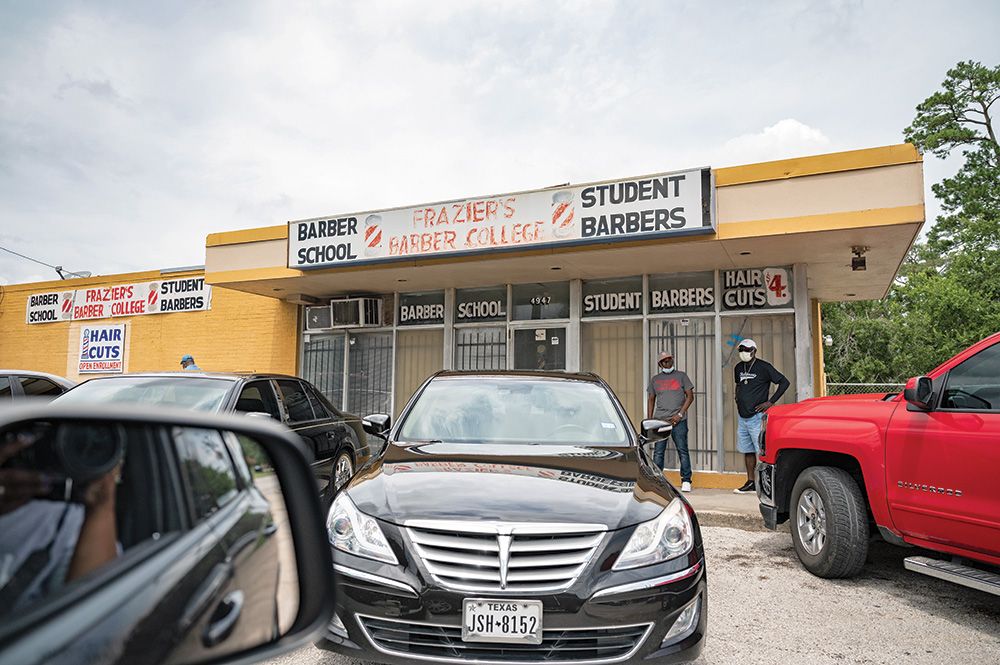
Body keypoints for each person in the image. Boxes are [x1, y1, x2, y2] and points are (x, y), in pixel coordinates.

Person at [733, 338, 789, 494]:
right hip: (742, 417)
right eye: (741, 350)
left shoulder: (764, 367)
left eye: (747, 349)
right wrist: (737, 398)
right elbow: (738, 385)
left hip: (757, 417)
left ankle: (767, 486)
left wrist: (770, 402)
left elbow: (784, 382)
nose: (744, 352)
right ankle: (751, 483)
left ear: (754, 351)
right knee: (747, 451)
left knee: (763, 452)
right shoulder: (738, 368)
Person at [646, 351, 695, 492]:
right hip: (660, 421)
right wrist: (650, 421)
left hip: (678, 421)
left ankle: (686, 480)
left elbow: (690, 396)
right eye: (665, 361)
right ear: (660, 364)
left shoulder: (682, 376)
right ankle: (657, 480)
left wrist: (680, 414)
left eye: (670, 361)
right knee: (658, 452)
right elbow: (651, 400)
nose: (668, 363)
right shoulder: (655, 379)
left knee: (682, 450)